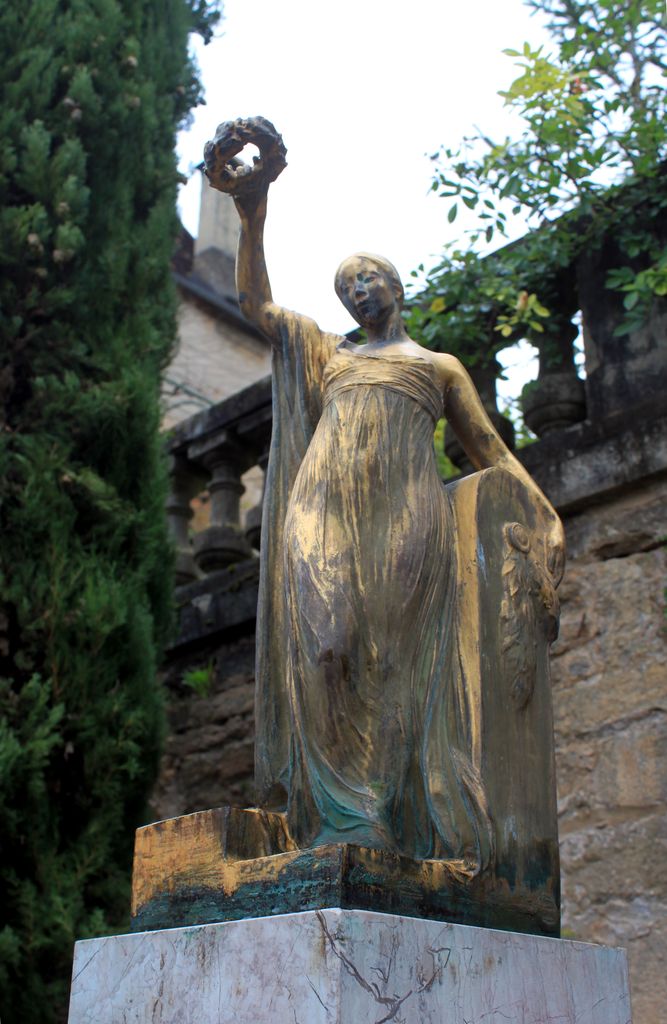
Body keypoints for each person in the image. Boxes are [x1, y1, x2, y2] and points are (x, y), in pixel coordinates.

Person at [209, 122, 564, 874]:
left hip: (407, 514)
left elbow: (493, 454)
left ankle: (388, 820)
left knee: (397, 663)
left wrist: (545, 512)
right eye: (345, 286)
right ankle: (341, 813)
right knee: (327, 645)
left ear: (396, 286)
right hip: (322, 509)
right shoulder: (324, 354)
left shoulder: (437, 367)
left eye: (366, 278)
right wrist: (251, 211)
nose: (357, 290)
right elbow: (253, 303)